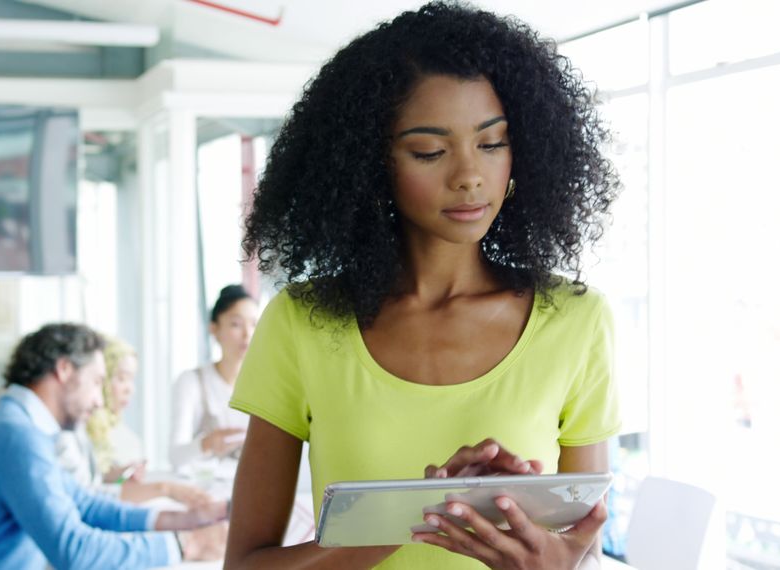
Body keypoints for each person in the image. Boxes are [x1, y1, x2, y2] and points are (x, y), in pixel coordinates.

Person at [224, 3, 621, 569]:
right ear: (371, 163)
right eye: (429, 151)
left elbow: (581, 554)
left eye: (492, 143)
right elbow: (243, 565)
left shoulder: (575, 321)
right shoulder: (301, 322)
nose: (468, 175)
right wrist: (416, 512)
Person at [0, 323, 227, 569]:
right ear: (64, 370)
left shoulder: (13, 425)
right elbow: (75, 552)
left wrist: (185, 520)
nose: (99, 398)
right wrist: (188, 545)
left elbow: (84, 505)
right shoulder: (15, 437)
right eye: (96, 381)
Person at [57, 334, 213, 508]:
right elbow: (84, 497)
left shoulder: (124, 435)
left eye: (132, 379)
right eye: (121, 378)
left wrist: (115, 476)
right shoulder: (72, 428)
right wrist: (163, 489)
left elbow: (89, 484)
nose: (129, 389)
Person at [169, 284, 257, 479]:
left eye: (254, 324)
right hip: (206, 491)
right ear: (214, 328)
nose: (247, 334)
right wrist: (207, 444)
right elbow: (175, 457)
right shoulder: (192, 382)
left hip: (255, 487)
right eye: (236, 324)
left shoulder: (268, 386)